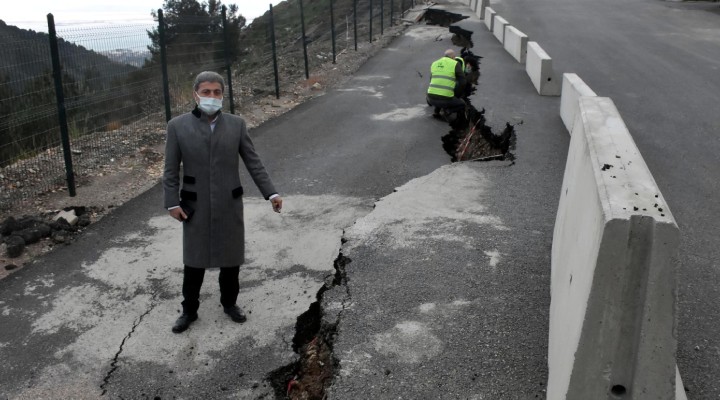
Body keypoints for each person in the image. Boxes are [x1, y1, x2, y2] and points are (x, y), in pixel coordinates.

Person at [163, 71, 283, 334]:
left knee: (231, 258)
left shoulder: (236, 124)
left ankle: (230, 304)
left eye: (217, 92)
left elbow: (253, 161)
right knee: (194, 260)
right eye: (206, 92)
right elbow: (171, 170)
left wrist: (271, 193)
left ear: (223, 95)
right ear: (195, 94)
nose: (212, 97)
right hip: (194, 205)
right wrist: (172, 203)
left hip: (230, 201)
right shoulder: (178, 126)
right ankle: (189, 311)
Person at [426, 49, 467, 120]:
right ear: (453, 57)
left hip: (430, 98)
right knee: (462, 104)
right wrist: (457, 95)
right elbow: (463, 82)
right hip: (445, 99)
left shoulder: (434, 63)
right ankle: (447, 111)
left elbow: (431, 80)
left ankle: (436, 111)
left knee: (439, 93)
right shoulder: (455, 63)